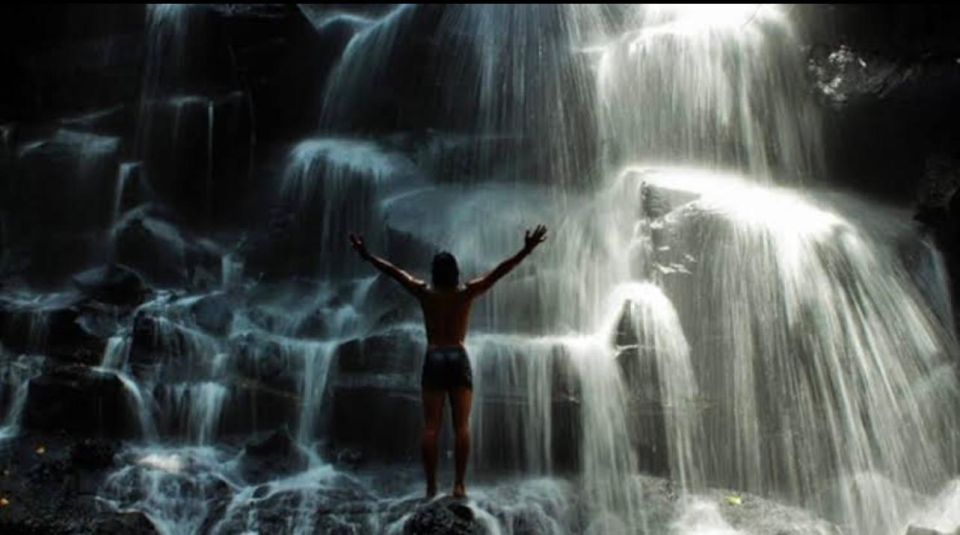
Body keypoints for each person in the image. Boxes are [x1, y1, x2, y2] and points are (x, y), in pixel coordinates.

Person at [348, 225, 548, 499]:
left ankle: (430, 486)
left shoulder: (424, 292)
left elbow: (393, 272)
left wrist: (367, 255)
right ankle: (459, 485)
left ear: (434, 272)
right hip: (457, 355)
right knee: (462, 426)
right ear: (455, 272)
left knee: (431, 426)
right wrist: (526, 249)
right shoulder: (466, 292)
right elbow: (499, 273)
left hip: (434, 356)